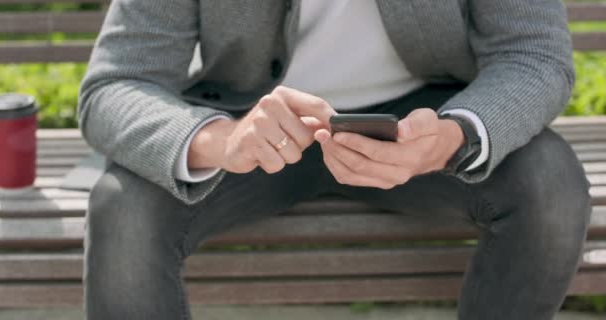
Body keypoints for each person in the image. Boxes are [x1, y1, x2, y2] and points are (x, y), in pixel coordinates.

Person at [78, 0, 591, 319]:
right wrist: (220, 141)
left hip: (424, 122)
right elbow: (115, 84)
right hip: (250, 127)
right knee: (124, 208)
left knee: (550, 187)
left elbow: (534, 55)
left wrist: (454, 134)